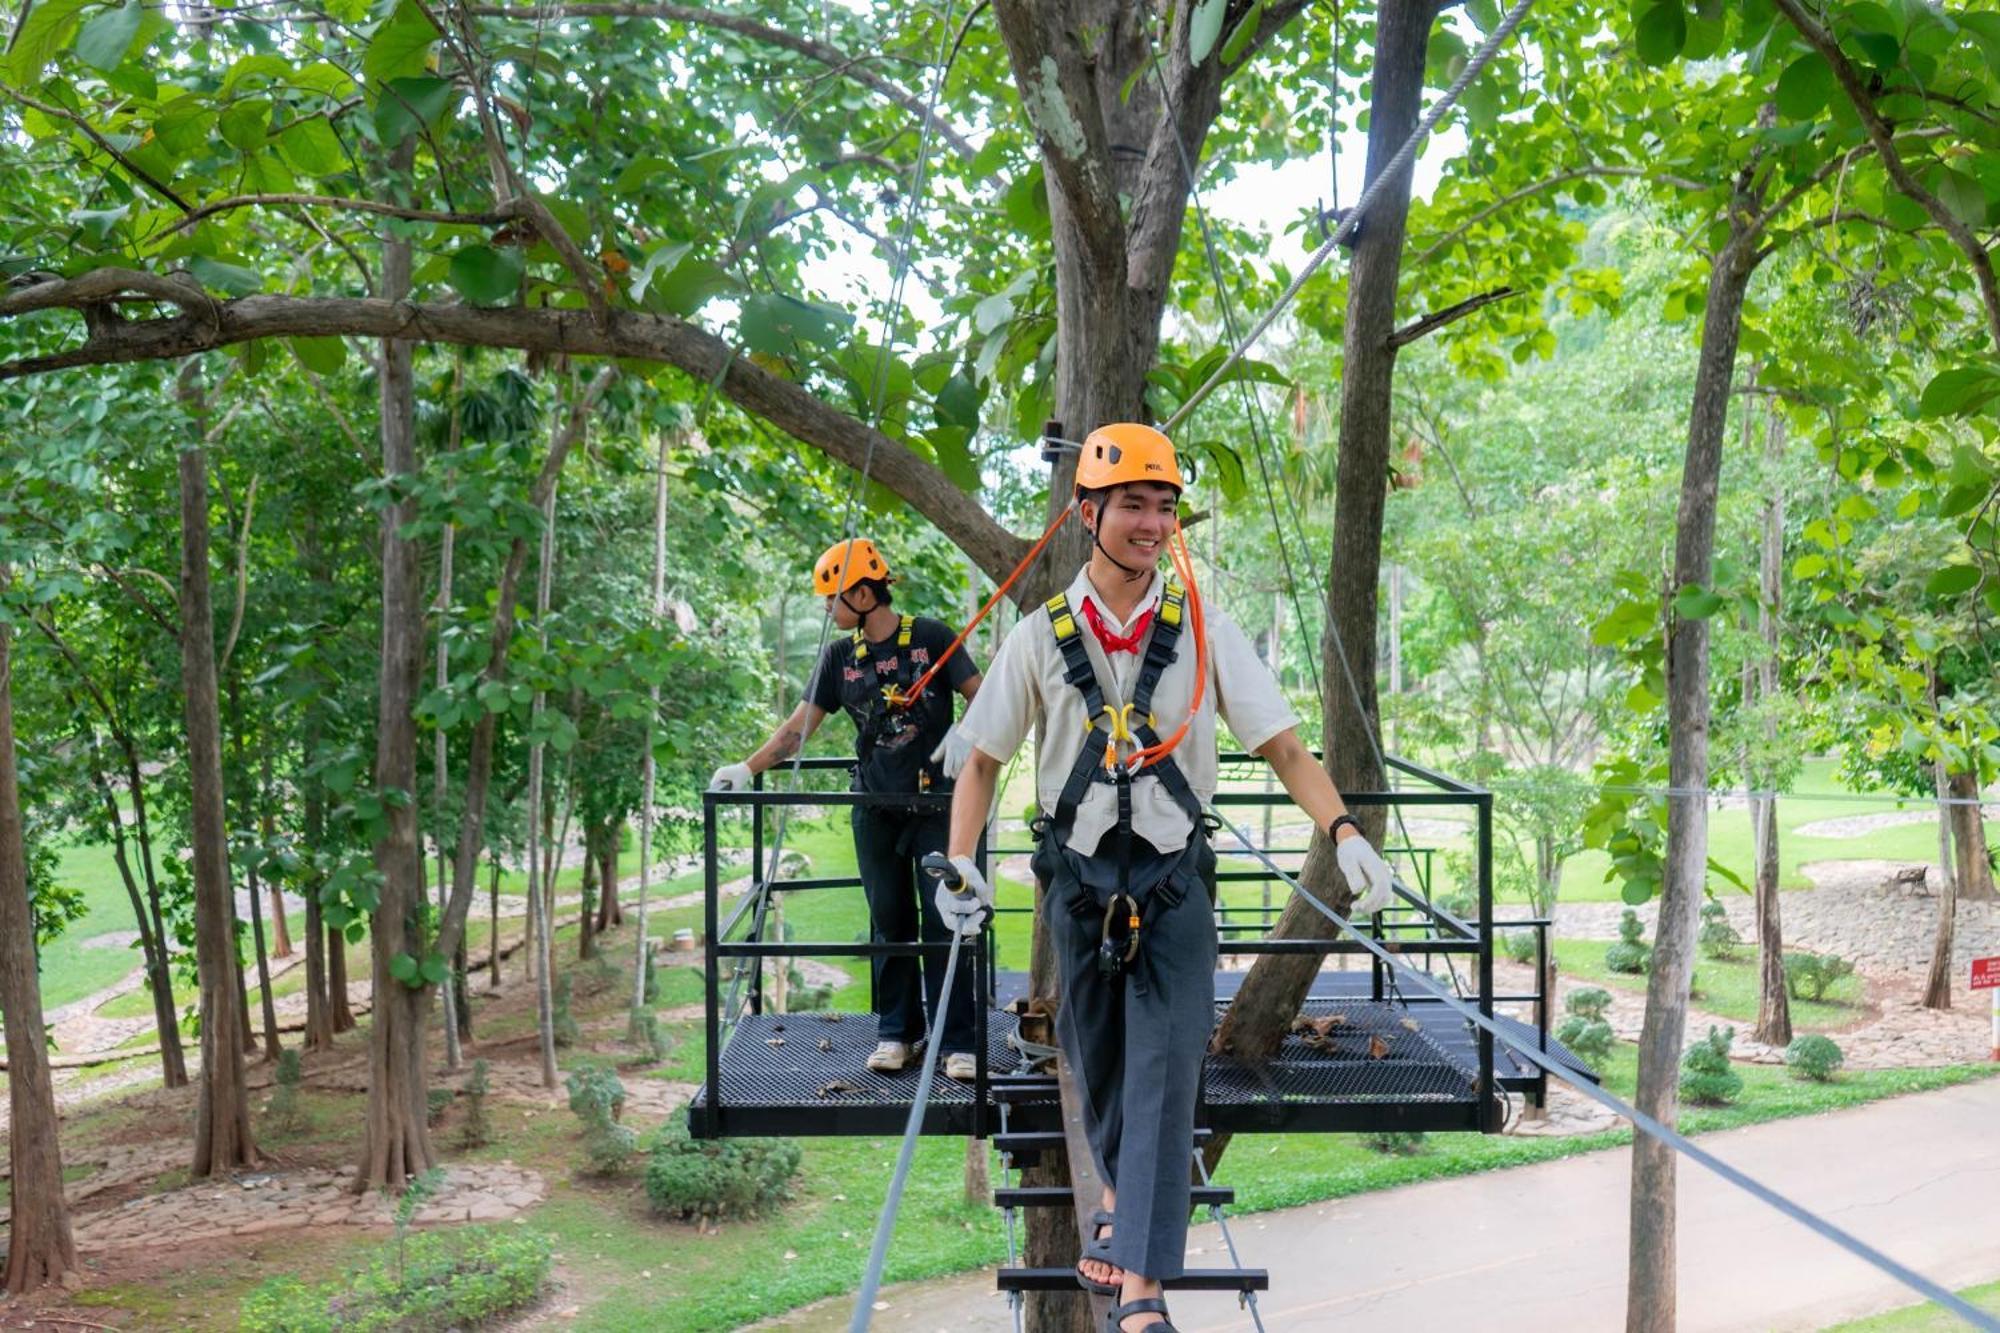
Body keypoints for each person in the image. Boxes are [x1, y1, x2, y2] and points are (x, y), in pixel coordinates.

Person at [935, 423, 1395, 1333]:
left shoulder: (1204, 633)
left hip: (1173, 881)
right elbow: (982, 760)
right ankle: (1121, 1216)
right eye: (1133, 505)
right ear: (1090, 512)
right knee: (1100, 1066)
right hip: (1076, 884)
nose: (1151, 523)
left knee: (1164, 1063)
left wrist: (1343, 831)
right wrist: (959, 860)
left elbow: (1284, 743)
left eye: (1163, 506)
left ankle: (1141, 1291)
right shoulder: (1039, 638)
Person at [710, 538, 985, 1081]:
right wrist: (748, 768)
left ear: (862, 593)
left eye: (830, 598)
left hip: (937, 805)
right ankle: (896, 1034)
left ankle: (959, 1042)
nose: (825, 609)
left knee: (946, 921)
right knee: (889, 920)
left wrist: (966, 732)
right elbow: (797, 730)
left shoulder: (932, 639)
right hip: (875, 806)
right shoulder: (841, 658)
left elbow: (985, 694)